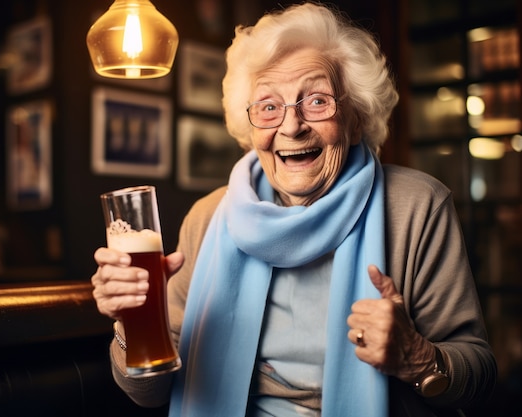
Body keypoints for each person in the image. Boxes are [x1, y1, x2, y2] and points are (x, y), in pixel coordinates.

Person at [91, 2, 497, 416]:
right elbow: (152, 393)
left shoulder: (416, 206)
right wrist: (130, 324)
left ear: (356, 117)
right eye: (269, 106)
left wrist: (418, 358)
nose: (291, 126)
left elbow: (479, 376)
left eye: (317, 100)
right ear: (249, 128)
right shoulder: (209, 217)